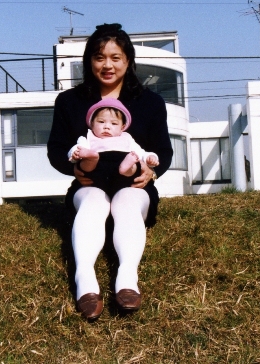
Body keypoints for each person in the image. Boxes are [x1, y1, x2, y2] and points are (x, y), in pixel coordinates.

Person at [47, 23, 173, 320]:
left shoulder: (150, 102)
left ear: (128, 61)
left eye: (116, 58)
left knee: (127, 202)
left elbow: (163, 151)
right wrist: (74, 167)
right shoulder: (69, 101)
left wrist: (151, 172)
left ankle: (127, 280)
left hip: (133, 185)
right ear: (89, 61)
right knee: (92, 201)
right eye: (99, 57)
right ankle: (85, 282)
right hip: (89, 183)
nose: (107, 65)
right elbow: (56, 150)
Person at [68, 98, 160, 198]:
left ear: (122, 127)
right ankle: (91, 158)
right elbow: (77, 148)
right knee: (85, 163)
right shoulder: (88, 138)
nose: (107, 127)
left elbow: (140, 152)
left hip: (121, 173)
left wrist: (150, 157)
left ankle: (126, 168)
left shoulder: (127, 139)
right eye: (101, 122)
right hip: (97, 171)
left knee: (134, 163)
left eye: (114, 123)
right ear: (92, 123)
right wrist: (75, 153)